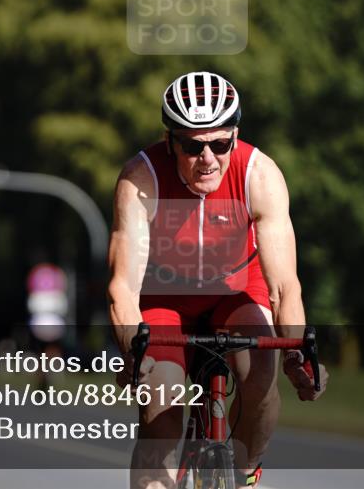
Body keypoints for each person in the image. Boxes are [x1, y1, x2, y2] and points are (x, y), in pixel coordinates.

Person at [108, 71, 328, 489]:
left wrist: (298, 354)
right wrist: (131, 350)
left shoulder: (259, 175)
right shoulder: (140, 179)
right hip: (165, 296)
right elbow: (123, 286)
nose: (208, 158)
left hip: (236, 288)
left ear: (235, 136)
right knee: (160, 408)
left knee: (261, 375)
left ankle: (245, 473)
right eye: (193, 146)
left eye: (221, 144)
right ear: (170, 141)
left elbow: (283, 287)